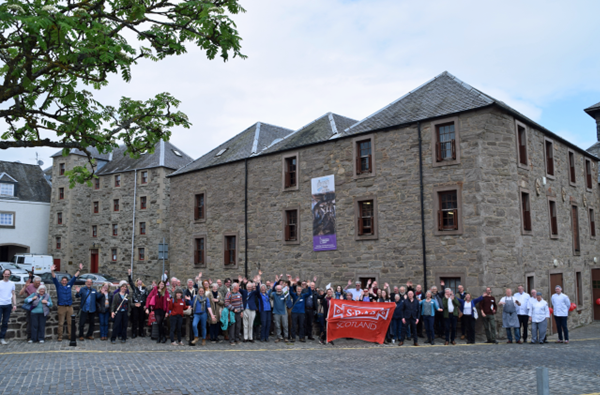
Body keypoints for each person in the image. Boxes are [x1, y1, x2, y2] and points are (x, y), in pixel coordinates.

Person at [51, 263, 82, 342]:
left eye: (65, 281)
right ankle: (60, 336)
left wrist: (79, 270)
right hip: (61, 306)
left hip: (69, 306)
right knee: (61, 323)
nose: (64, 282)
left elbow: (74, 277)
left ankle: (70, 336)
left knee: (70, 323)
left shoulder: (69, 285)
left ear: (67, 281)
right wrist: (52, 271)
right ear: (61, 281)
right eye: (63, 281)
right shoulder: (58, 286)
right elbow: (54, 278)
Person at [19, 274, 41, 341]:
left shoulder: (41, 286)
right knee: (29, 321)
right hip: (30, 306)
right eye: (36, 283)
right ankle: (29, 336)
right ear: (33, 282)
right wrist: (25, 286)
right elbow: (21, 293)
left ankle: (37, 336)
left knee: (39, 322)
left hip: (38, 306)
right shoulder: (29, 286)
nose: (38, 285)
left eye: (39, 283)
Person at [127, 269, 148, 338]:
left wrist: (146, 306)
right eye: (138, 281)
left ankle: (141, 332)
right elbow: (130, 282)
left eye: (140, 281)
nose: (139, 282)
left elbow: (147, 297)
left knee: (142, 319)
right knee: (135, 319)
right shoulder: (135, 288)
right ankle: (134, 333)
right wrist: (129, 274)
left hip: (142, 305)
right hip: (136, 304)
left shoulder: (145, 289)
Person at [0, 269, 17, 345]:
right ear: (3, 274)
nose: (6, 275)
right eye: (5, 274)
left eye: (8, 274)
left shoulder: (12, 283)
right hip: (0, 304)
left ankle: (2, 338)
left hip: (8, 305)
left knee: (5, 322)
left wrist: (14, 304)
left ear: (10, 275)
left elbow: (13, 294)